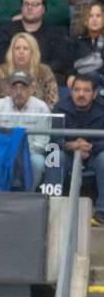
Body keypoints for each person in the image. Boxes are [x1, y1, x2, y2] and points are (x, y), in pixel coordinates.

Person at [0, 70, 52, 186]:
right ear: (8, 89)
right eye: (15, 87)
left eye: (23, 87)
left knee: (37, 161)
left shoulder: (41, 108)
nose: (18, 92)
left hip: (31, 154)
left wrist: (20, 155)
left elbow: (42, 143)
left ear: (31, 89)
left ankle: (29, 197)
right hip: (3, 152)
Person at [0, 0, 71, 81]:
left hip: (43, 79)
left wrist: (36, 72)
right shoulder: (6, 31)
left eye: (35, 4)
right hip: (11, 78)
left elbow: (59, 61)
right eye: (26, 4)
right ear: (21, 8)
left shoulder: (55, 33)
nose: (29, 7)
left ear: (44, 9)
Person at [58, 72, 104, 220]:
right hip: (67, 154)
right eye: (77, 90)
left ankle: (101, 211)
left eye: (86, 90)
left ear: (95, 93)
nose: (81, 94)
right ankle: (52, 203)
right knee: (53, 155)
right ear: (71, 92)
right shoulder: (59, 109)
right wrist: (68, 145)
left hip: (94, 155)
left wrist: (90, 147)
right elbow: (50, 140)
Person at [0, 31, 60, 106]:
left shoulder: (45, 71)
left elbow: (53, 103)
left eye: (25, 48)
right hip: (6, 117)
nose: (21, 52)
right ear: (11, 52)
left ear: (33, 52)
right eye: (17, 48)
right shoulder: (0, 72)